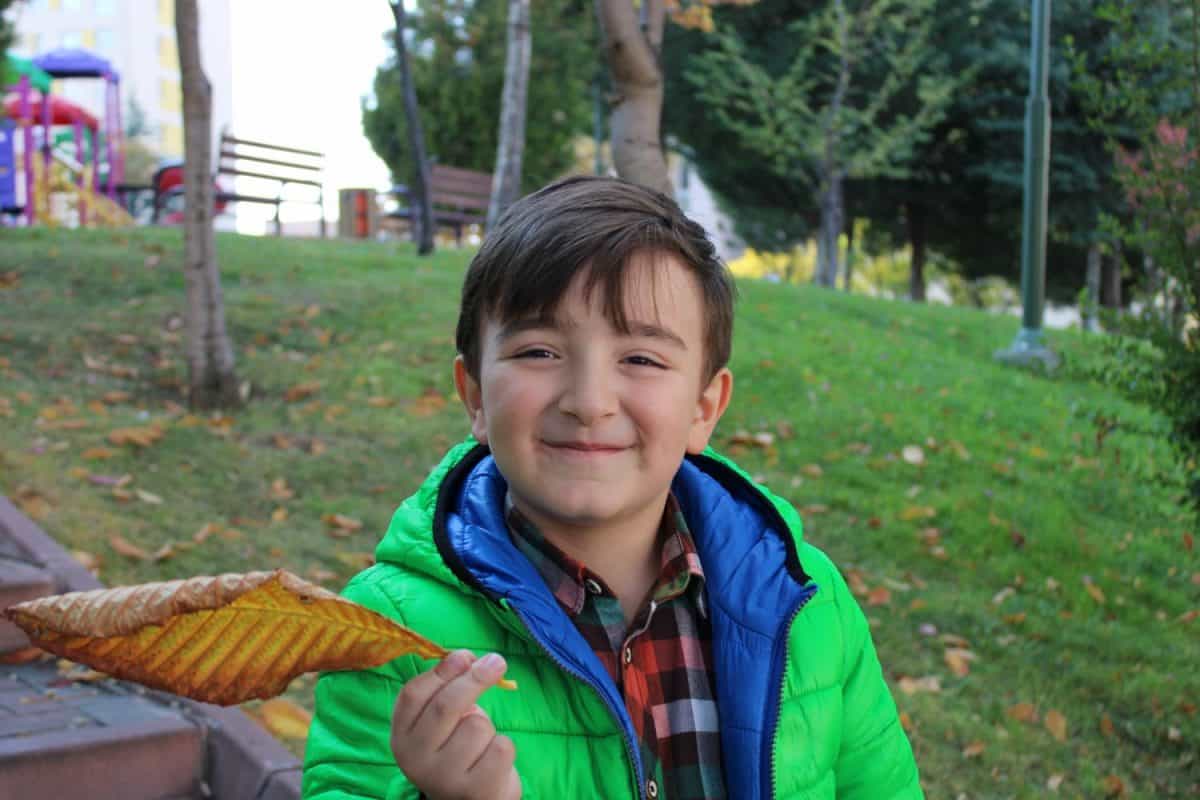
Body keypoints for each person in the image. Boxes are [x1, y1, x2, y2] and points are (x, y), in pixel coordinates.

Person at [302, 176, 922, 800]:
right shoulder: (389, 634)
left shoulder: (810, 605)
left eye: (642, 359)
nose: (589, 402)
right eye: (539, 351)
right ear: (474, 396)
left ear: (704, 408)